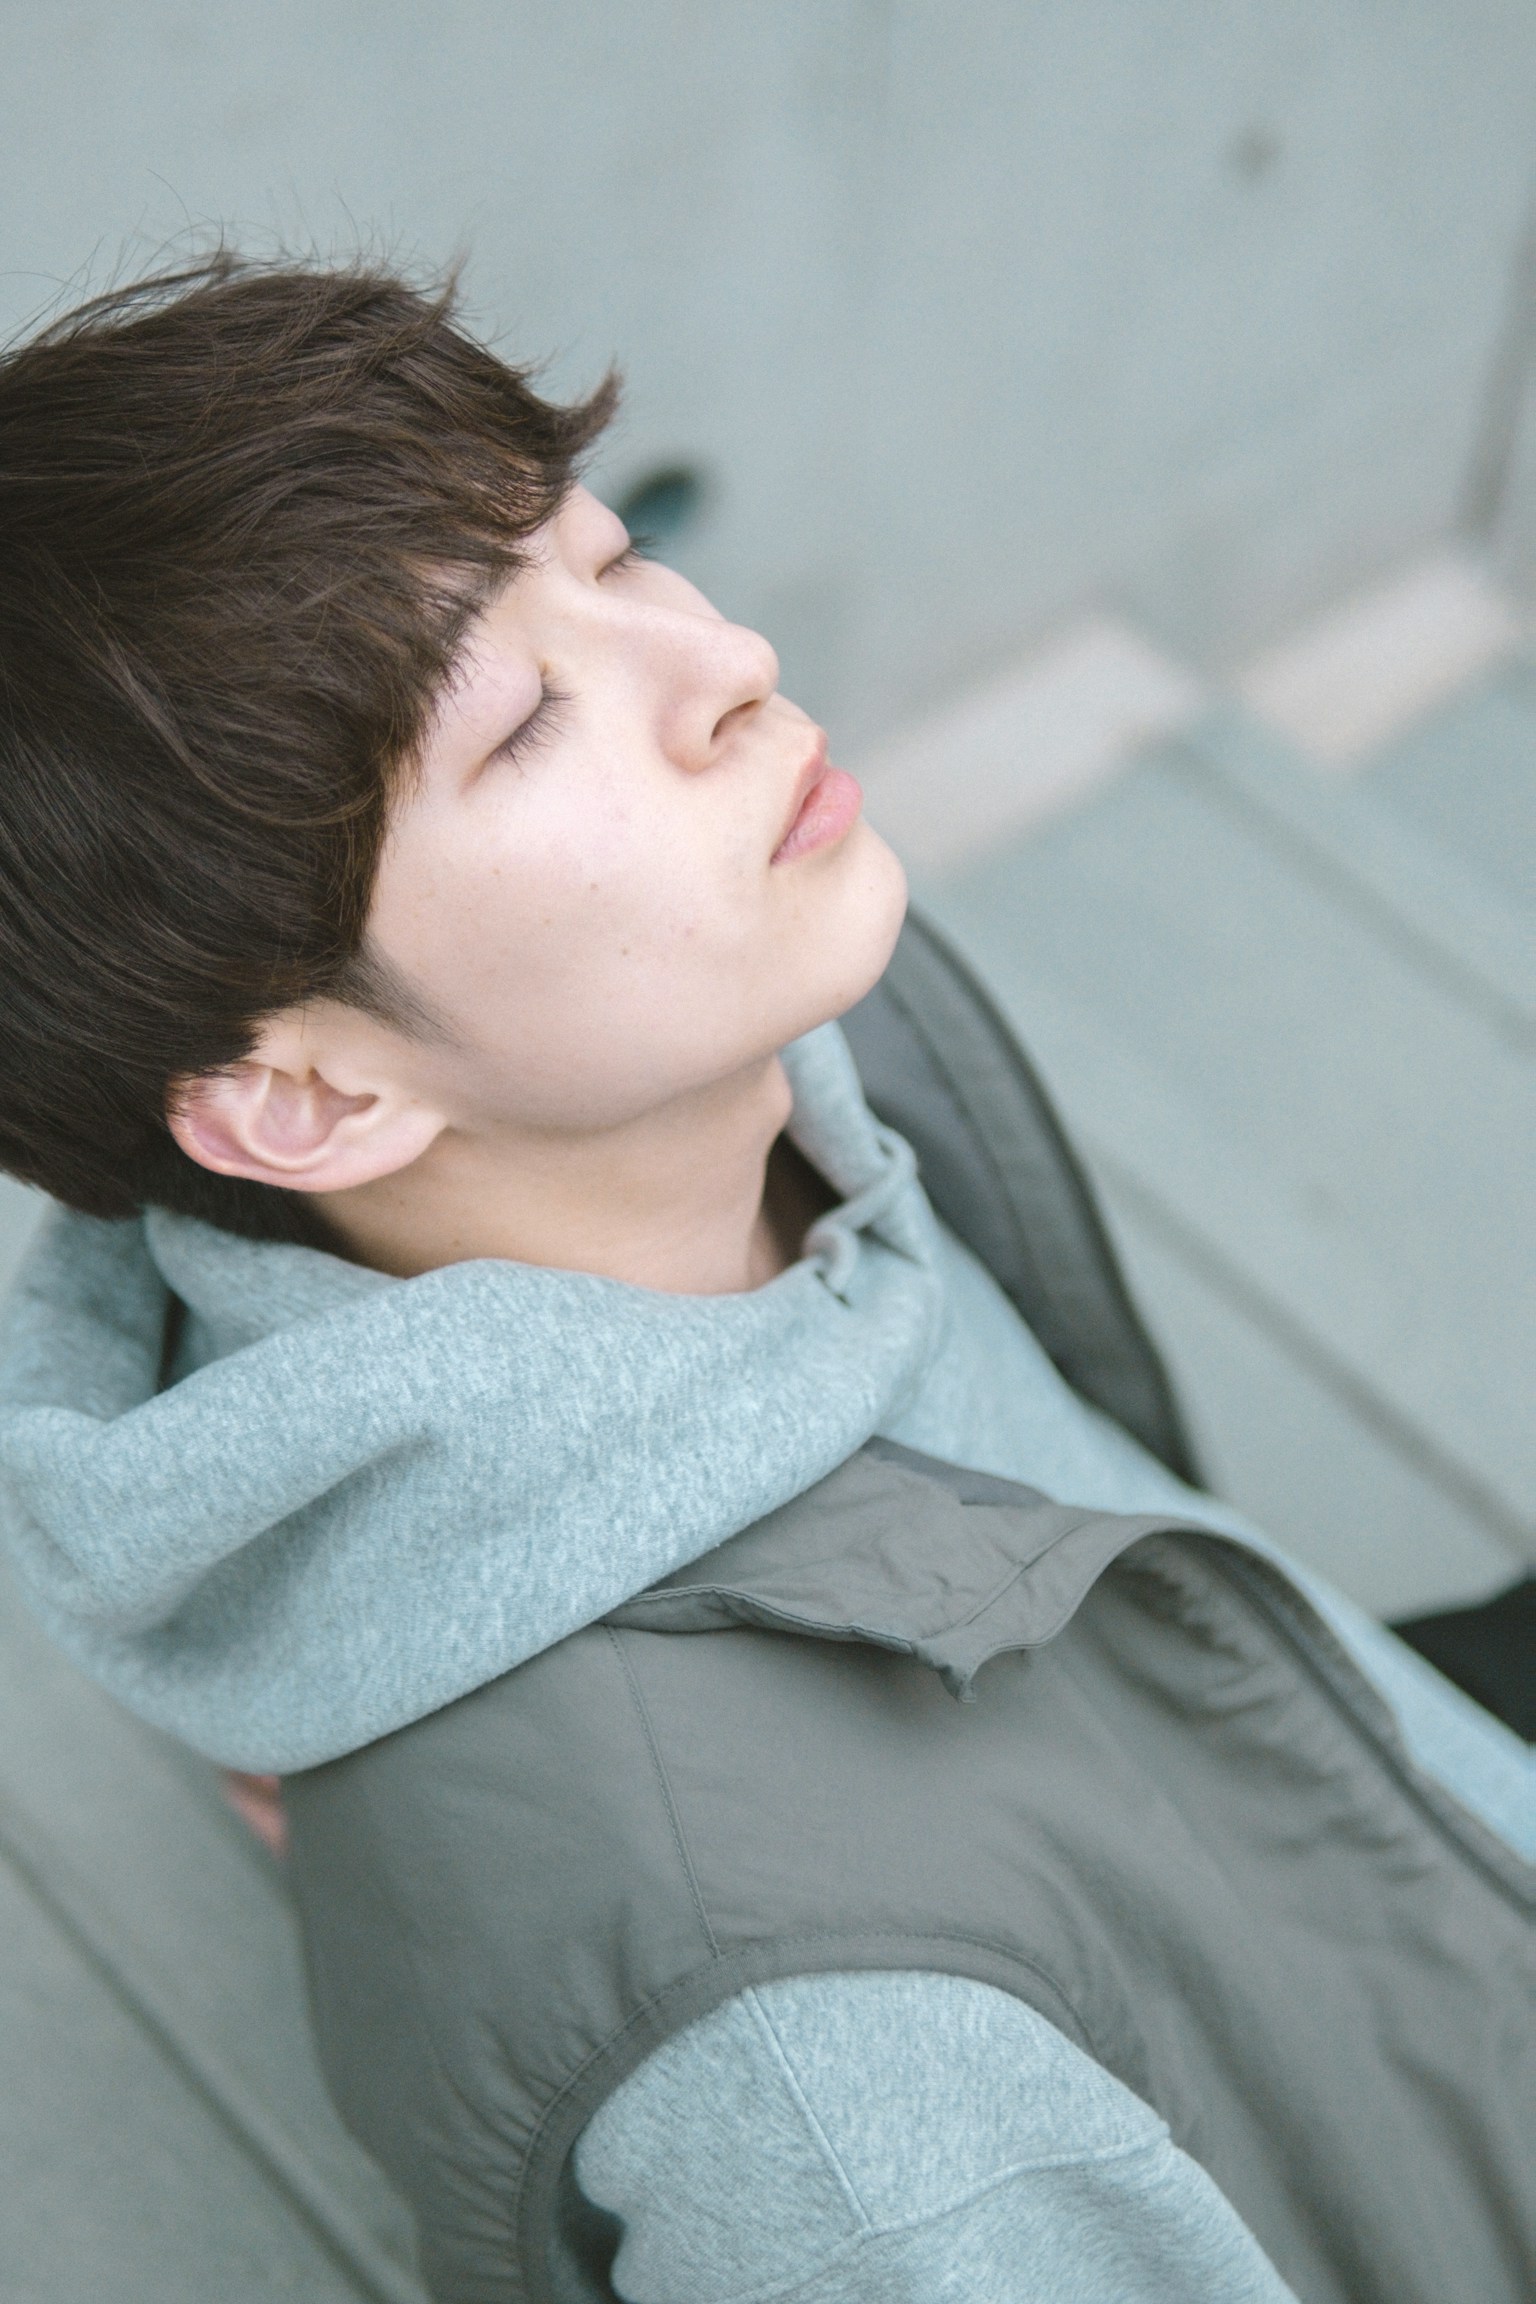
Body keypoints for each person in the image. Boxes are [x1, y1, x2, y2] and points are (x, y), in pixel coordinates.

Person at [0, 256, 1529, 2304]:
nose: (721, 658)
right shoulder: (836, 2097)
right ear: (299, 1103)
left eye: (611, 558)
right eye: (528, 720)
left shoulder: (734, 1071)